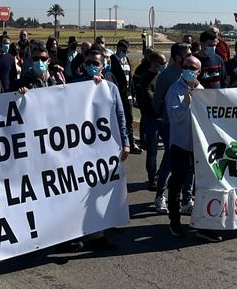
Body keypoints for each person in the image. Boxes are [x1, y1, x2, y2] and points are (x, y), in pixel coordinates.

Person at [68, 49, 129, 250]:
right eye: (89, 62)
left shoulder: (110, 88)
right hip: (79, 148)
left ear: (103, 66)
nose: (92, 65)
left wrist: (126, 142)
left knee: (98, 190)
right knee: (77, 191)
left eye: (96, 62)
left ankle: (97, 233)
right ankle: (72, 234)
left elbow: (120, 115)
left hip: (104, 149)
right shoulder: (75, 86)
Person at [165, 55, 220, 242]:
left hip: (199, 147)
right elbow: (173, 117)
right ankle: (174, 221)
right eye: (186, 65)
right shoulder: (175, 90)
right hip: (180, 145)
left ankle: (203, 224)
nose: (188, 69)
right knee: (176, 184)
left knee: (202, 185)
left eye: (193, 67)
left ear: (199, 71)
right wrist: (186, 103)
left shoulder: (202, 90)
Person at [151, 43, 192, 213]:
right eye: (186, 54)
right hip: (170, 126)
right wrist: (167, 117)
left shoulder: (191, 75)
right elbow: (157, 101)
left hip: (189, 126)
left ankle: (186, 200)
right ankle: (160, 195)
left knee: (190, 164)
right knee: (169, 162)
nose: (190, 56)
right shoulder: (166, 76)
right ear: (177, 57)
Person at [136, 50, 167, 191]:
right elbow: (152, 99)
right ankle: (152, 178)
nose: (164, 65)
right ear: (154, 63)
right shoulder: (145, 79)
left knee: (170, 149)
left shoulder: (162, 76)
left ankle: (161, 174)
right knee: (152, 151)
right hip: (151, 118)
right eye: (162, 63)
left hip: (163, 117)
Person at [109, 40, 138, 153]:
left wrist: (133, 93)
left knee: (129, 119)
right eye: (123, 50)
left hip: (128, 95)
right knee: (119, 118)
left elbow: (130, 78)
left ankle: (131, 142)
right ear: (118, 48)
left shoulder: (126, 60)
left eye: (126, 50)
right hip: (119, 95)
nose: (125, 52)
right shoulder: (113, 60)